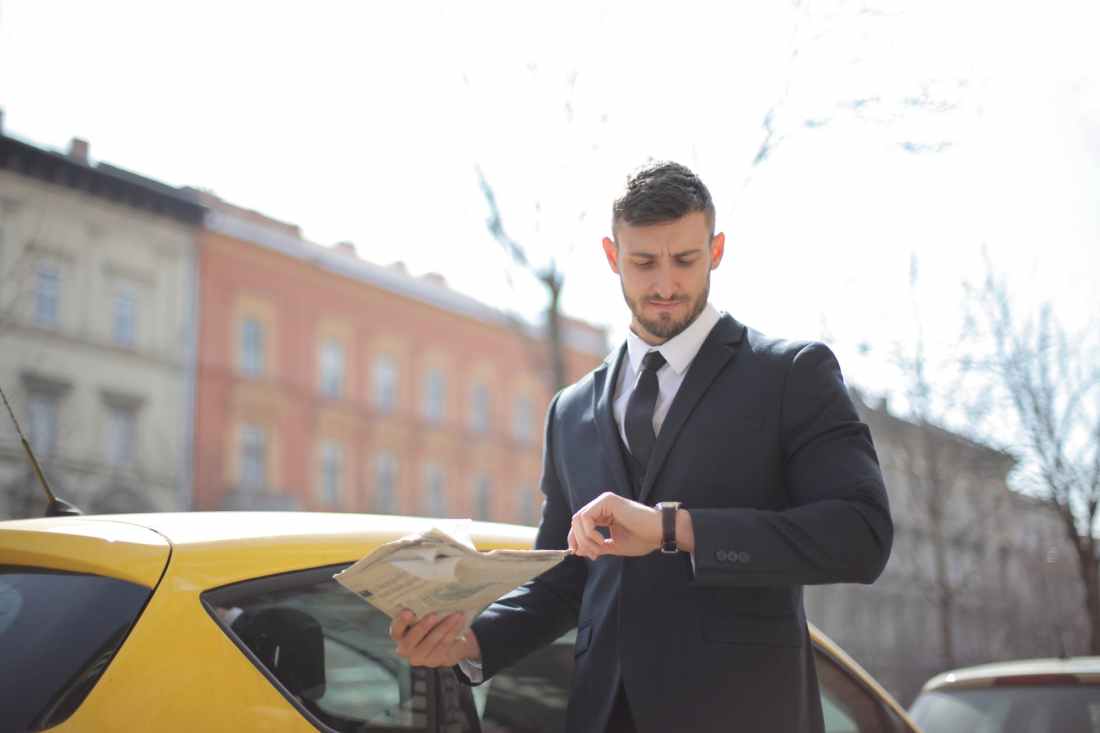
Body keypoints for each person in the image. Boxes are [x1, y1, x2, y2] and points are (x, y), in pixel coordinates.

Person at [390, 161, 893, 732]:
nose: (664, 285)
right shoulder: (571, 410)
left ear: (717, 249)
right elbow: (563, 580)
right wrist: (467, 641)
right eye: (643, 262)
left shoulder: (790, 375)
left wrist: (673, 528)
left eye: (685, 260)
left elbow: (862, 534)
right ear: (612, 257)